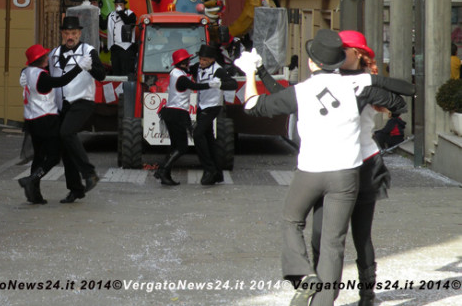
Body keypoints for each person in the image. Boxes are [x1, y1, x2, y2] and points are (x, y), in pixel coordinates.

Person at [237, 29, 408, 306]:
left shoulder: (345, 85)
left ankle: (350, 290)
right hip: (347, 169)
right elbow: (288, 98)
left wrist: (251, 74)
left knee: (346, 233)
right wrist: (262, 71)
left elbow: (261, 105)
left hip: (342, 166)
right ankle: (323, 298)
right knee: (330, 241)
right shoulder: (355, 87)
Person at [309, 29, 407, 306]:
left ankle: (367, 294)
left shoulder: (366, 82)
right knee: (320, 234)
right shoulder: (327, 77)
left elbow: (401, 102)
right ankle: (322, 290)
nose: (337, 54)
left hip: (364, 163)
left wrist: (374, 86)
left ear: (358, 54)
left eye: (343, 49)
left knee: (361, 235)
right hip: (328, 163)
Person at [17, 44, 88, 203]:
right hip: (46, 120)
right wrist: (79, 67)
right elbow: (62, 80)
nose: (48, 58)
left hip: (31, 120)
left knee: (39, 156)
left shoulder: (27, 72)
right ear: (42, 60)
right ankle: (31, 179)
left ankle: (35, 195)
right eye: (45, 56)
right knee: (54, 157)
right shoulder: (42, 77)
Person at [49, 16, 106, 203]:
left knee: (66, 132)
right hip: (62, 104)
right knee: (66, 147)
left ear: (79, 34)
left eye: (73, 33)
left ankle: (90, 173)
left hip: (82, 101)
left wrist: (90, 69)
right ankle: (76, 190)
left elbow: (101, 75)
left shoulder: (88, 51)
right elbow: (48, 76)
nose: (70, 37)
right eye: (67, 33)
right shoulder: (54, 53)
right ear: (62, 34)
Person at [155, 49, 221, 185]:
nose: (189, 63)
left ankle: (165, 175)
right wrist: (212, 84)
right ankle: (163, 170)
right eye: (187, 61)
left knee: (175, 146)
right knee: (182, 147)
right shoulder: (182, 77)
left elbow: (190, 74)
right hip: (178, 113)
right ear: (183, 63)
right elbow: (195, 86)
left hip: (170, 112)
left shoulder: (175, 72)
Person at [190, 44, 237, 186]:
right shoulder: (198, 67)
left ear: (212, 60)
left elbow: (233, 84)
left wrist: (220, 84)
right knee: (209, 139)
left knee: (197, 134)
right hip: (201, 106)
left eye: (205, 60)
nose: (202, 62)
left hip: (213, 106)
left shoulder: (218, 70)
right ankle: (218, 173)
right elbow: (187, 69)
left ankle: (209, 169)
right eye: (200, 59)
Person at [106, 0, 137, 75]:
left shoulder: (131, 14)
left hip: (126, 48)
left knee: (126, 72)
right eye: (116, 5)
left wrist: (121, 13)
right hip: (115, 48)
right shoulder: (111, 15)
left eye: (120, 5)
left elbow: (128, 24)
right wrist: (97, 13)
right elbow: (103, 26)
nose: (118, 7)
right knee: (116, 72)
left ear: (124, 5)